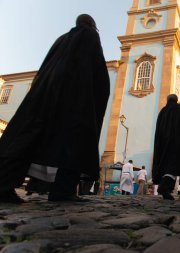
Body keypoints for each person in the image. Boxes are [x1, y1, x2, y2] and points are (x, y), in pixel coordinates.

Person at [0, 14, 110, 203]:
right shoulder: (90, 35)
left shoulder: (62, 39)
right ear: (92, 25)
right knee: (74, 141)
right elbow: (97, 71)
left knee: (29, 136)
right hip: (75, 97)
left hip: (45, 94)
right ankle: (63, 191)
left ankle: (4, 185)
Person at [152, 94, 180, 200]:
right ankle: (165, 186)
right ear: (176, 100)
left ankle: (166, 189)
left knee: (166, 165)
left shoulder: (162, 111)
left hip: (163, 142)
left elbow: (158, 129)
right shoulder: (179, 108)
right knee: (173, 165)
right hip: (176, 141)